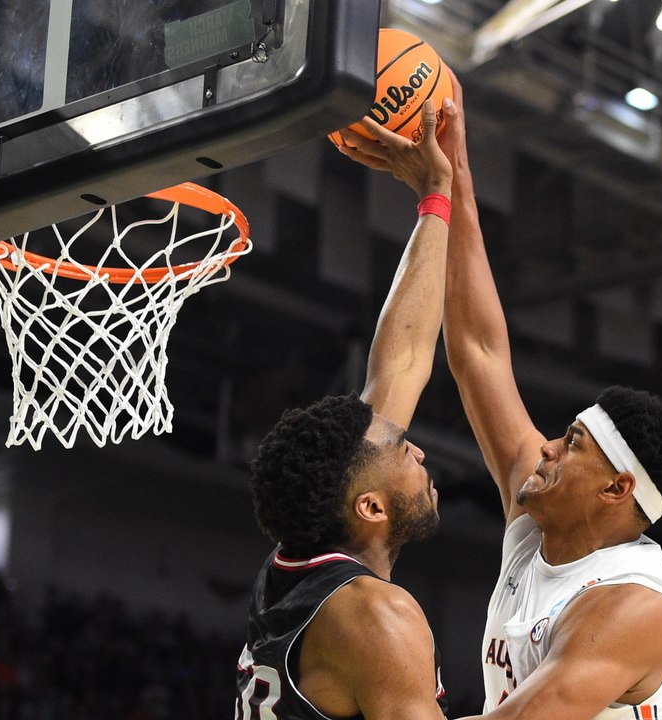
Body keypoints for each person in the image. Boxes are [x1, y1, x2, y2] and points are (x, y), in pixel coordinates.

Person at [440, 78, 662, 718]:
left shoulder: (631, 604)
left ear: (617, 488)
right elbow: (479, 351)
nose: (547, 447)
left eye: (573, 444)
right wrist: (448, 181)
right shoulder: (539, 520)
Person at [236, 99, 453, 720]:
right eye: (398, 448)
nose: (415, 448)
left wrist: (435, 197)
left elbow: (403, 357)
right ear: (371, 508)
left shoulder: (294, 571)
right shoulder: (375, 615)